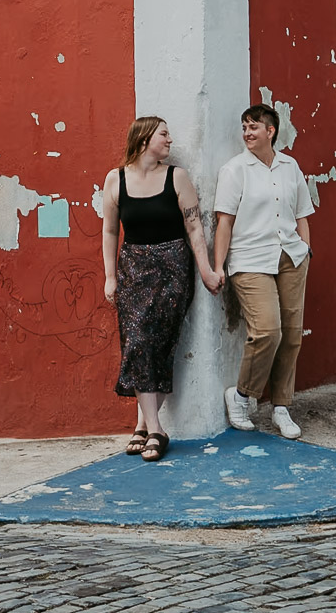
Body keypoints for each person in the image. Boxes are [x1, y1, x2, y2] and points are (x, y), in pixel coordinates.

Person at [102, 115, 223, 462]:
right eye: (164, 134)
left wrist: (206, 271)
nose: (170, 140)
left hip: (173, 269)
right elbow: (110, 231)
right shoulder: (115, 179)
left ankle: (145, 425)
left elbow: (194, 228)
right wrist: (110, 276)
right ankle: (156, 429)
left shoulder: (177, 177)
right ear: (144, 140)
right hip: (132, 269)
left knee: (160, 347)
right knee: (137, 343)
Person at [213, 102, 313, 440]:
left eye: (253, 126)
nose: (247, 132)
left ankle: (281, 407)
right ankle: (242, 395)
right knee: (268, 331)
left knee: (292, 334)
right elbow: (224, 222)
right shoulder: (234, 170)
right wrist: (218, 266)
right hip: (250, 259)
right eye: (244, 127)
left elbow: (302, 214)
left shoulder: (290, 166)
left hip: (291, 257)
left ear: (271, 131)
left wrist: (306, 250)